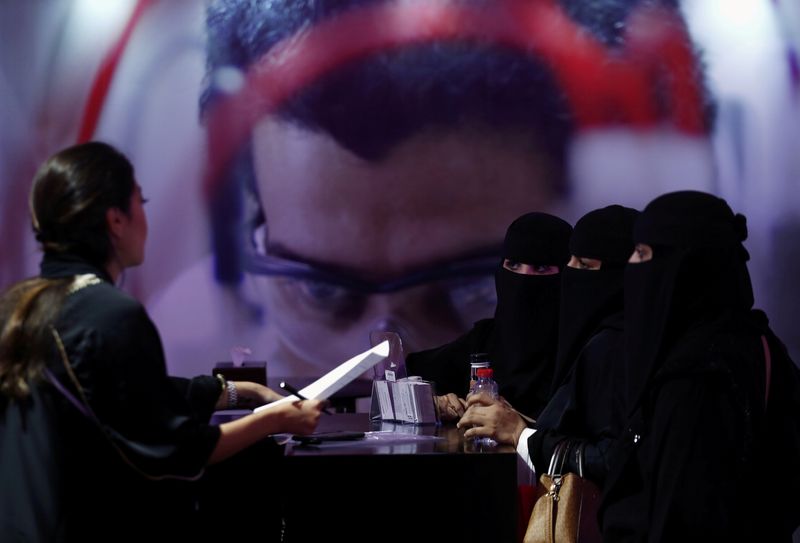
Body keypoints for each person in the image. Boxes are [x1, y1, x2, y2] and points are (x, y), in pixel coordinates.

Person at [150, 0, 711, 381]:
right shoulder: (180, 349)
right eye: (321, 291)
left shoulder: (678, 380)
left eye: (473, 288)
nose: (385, 366)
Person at [0, 142, 327, 541]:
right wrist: (280, 418)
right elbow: (181, 451)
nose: (146, 216)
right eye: (141, 200)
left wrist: (244, 393)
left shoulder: (19, 306)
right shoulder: (109, 314)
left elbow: (126, 396)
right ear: (116, 220)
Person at [600, 191, 800, 540]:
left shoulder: (695, 379)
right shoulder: (761, 343)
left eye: (643, 253)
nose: (631, 263)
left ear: (682, 267)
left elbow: (682, 521)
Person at [458, 204, 638, 490]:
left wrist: (519, 433)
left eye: (585, 266)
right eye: (572, 262)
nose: (571, 274)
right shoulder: (603, 338)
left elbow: (614, 458)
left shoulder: (614, 346)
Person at [406, 212, 572, 421]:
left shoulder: (584, 354)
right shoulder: (484, 341)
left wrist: (514, 425)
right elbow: (410, 373)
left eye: (540, 268)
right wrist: (433, 401)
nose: (523, 279)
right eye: (513, 265)